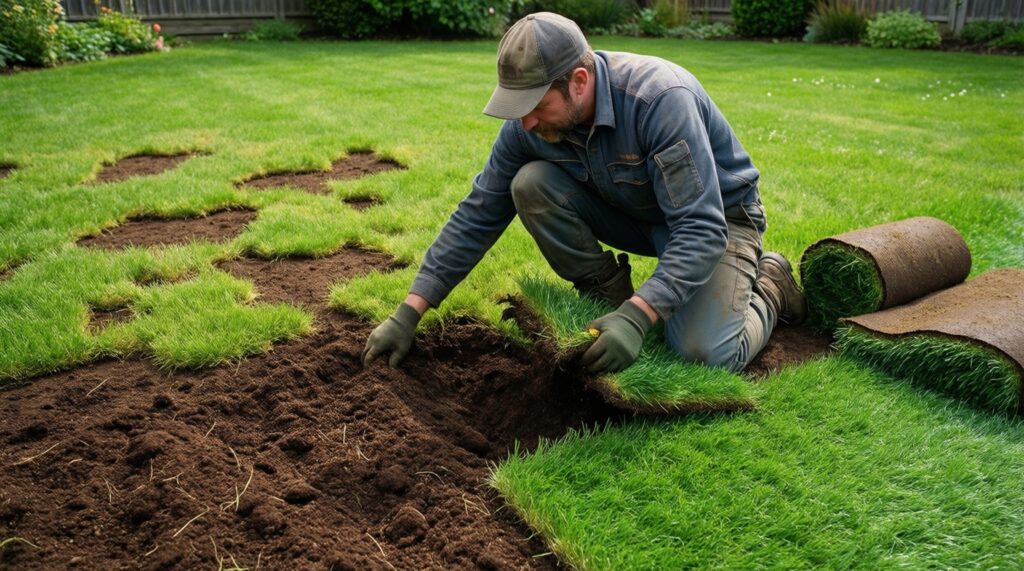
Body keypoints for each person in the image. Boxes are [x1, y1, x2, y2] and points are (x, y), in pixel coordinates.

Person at [362, 12, 806, 375]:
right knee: (529, 184)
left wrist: (639, 318)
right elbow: (478, 213)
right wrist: (410, 311)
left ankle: (770, 285)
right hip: (635, 213)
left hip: (718, 220)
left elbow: (701, 227)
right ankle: (610, 299)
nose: (527, 123)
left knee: (703, 354)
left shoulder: (659, 100)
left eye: (536, 106)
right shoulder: (527, 129)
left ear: (578, 80)